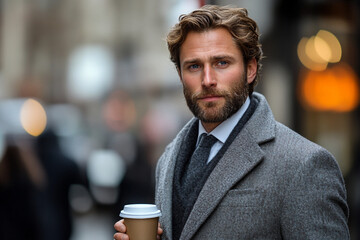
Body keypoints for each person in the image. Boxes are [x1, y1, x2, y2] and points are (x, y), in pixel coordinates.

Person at [114, 5, 349, 240]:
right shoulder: (168, 158)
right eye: (194, 66)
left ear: (250, 69)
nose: (207, 80)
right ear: (180, 76)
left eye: (221, 63)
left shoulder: (304, 164)